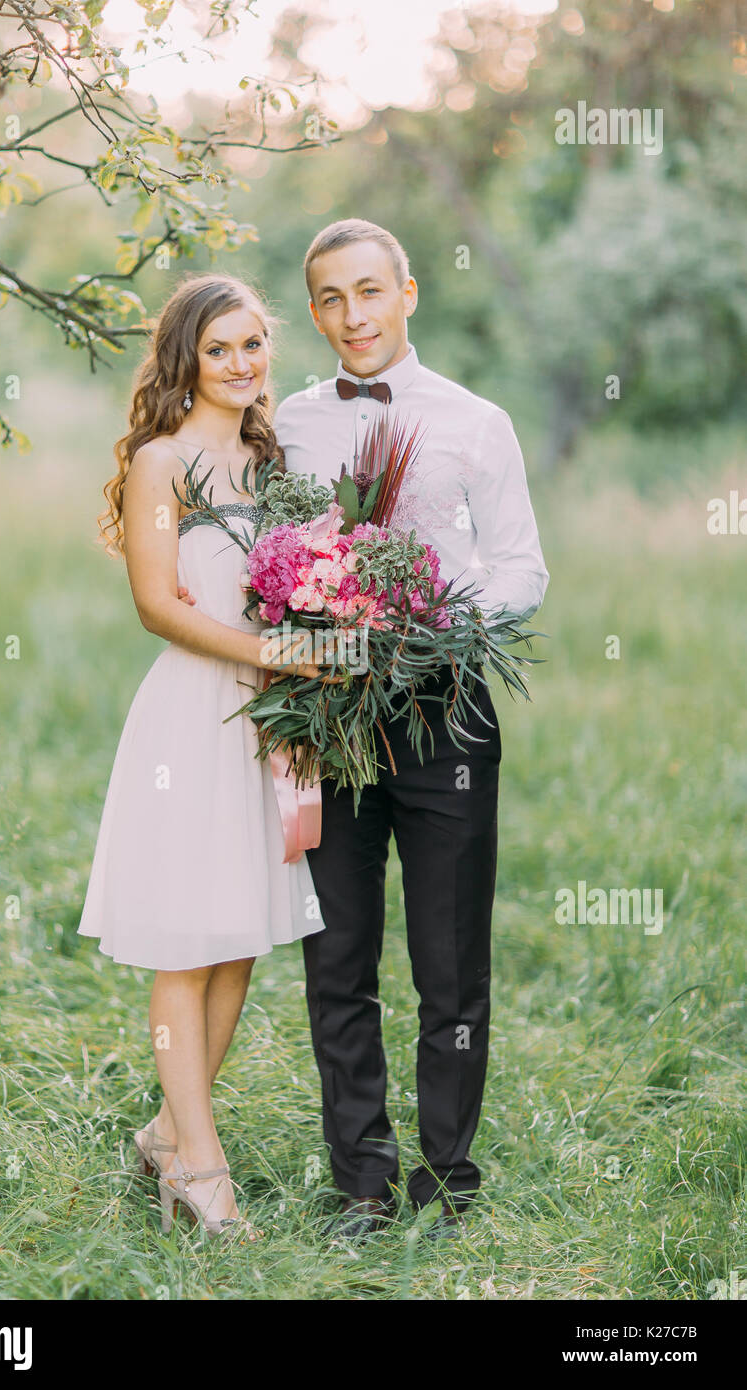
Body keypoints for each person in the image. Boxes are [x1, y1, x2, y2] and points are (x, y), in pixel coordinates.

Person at [272, 218, 550, 1239]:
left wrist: (432, 626)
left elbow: (522, 567)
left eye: (368, 292)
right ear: (313, 313)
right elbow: (268, 558)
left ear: (407, 293)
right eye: (330, 300)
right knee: (334, 956)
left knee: (449, 961)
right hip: (328, 716)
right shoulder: (289, 424)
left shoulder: (476, 421)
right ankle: (359, 1183)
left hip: (445, 713)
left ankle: (445, 1178)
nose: (352, 317)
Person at [77, 273, 332, 1240]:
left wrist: (319, 640)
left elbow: (306, 579)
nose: (240, 364)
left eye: (254, 344)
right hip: (192, 718)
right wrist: (276, 652)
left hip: (273, 725)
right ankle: (204, 1167)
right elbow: (157, 604)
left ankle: (167, 1134)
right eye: (219, 348)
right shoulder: (162, 461)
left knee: (238, 937)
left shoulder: (276, 464)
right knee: (187, 938)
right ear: (186, 357)